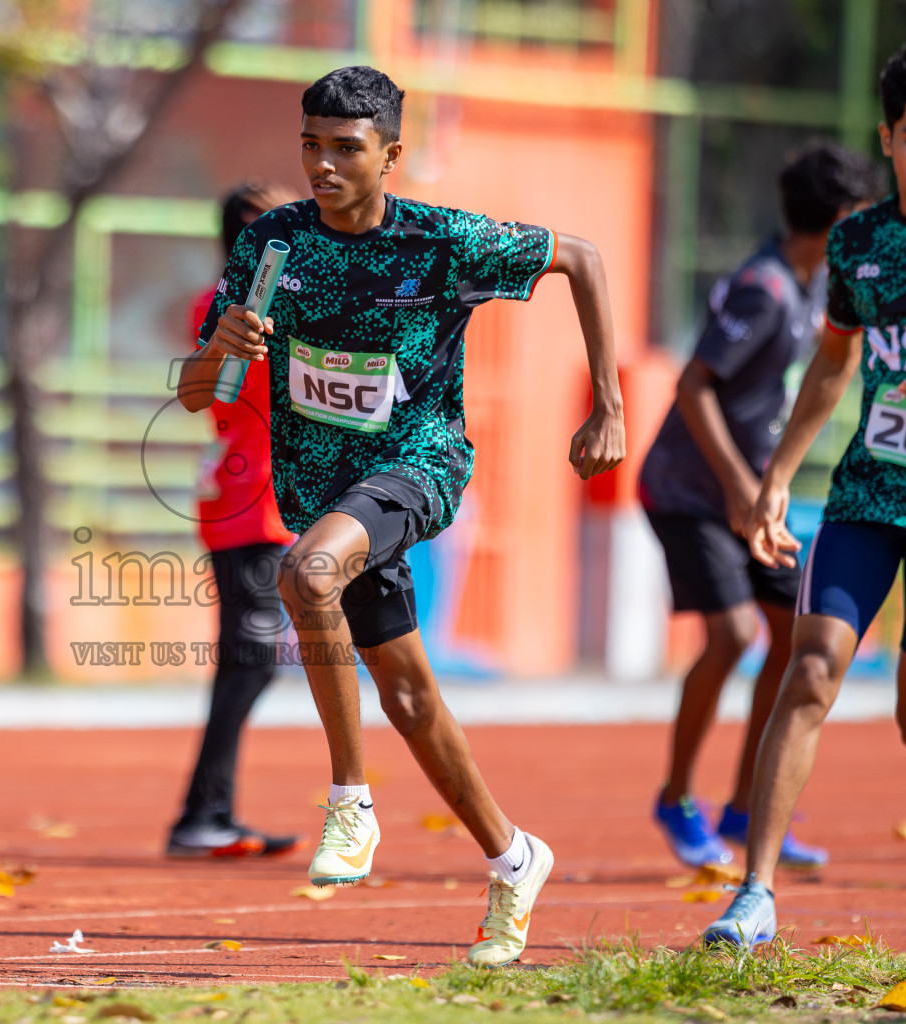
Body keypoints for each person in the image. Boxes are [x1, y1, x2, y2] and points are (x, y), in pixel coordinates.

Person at [177, 66, 625, 966]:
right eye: (311, 144)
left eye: (346, 148)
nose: (323, 164)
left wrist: (609, 404)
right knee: (411, 696)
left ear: (390, 154)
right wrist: (221, 347)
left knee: (304, 573)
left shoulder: (442, 243)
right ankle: (513, 855)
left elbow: (583, 257)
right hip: (324, 490)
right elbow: (196, 395)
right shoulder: (274, 244)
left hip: (416, 465)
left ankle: (349, 801)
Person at [705, 37, 906, 946]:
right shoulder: (858, 241)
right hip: (867, 496)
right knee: (810, 668)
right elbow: (832, 364)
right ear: (888, 138)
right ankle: (754, 894)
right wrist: (778, 478)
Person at [640, 143, 881, 870]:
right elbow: (693, 386)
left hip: (743, 494)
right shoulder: (766, 289)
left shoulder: (814, 282)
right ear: (840, 219)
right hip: (691, 492)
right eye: (864, 218)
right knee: (730, 633)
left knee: (796, 626)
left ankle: (747, 806)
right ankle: (677, 797)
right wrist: (744, 489)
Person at [167, 183, 305, 859]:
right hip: (249, 504)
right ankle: (202, 813)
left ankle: (207, 812)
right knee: (250, 662)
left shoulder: (264, 301)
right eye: (278, 217)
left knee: (248, 662)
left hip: (260, 503)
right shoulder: (234, 308)